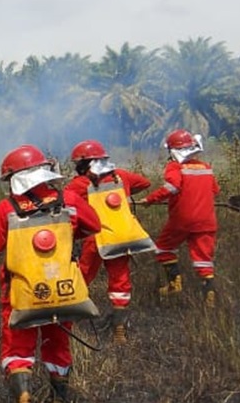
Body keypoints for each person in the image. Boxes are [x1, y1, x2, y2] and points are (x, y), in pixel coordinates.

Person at [0, 145, 102, 403]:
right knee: (58, 344)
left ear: (14, 178)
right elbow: (94, 226)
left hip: (23, 294)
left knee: (17, 349)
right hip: (63, 292)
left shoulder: (7, 208)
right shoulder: (69, 200)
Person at [67, 139, 155, 344]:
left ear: (84, 164)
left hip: (96, 239)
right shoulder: (121, 176)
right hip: (122, 237)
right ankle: (119, 328)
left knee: (82, 276)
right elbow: (145, 182)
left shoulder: (80, 184)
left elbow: (66, 201)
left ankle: (70, 318)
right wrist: (124, 194)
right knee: (120, 280)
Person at [141, 129, 221, 306]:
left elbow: (172, 187)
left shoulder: (175, 167)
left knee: (164, 248)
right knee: (203, 259)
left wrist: (150, 199)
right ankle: (209, 296)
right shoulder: (206, 167)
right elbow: (215, 190)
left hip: (182, 220)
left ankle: (173, 284)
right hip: (207, 221)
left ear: (173, 150)